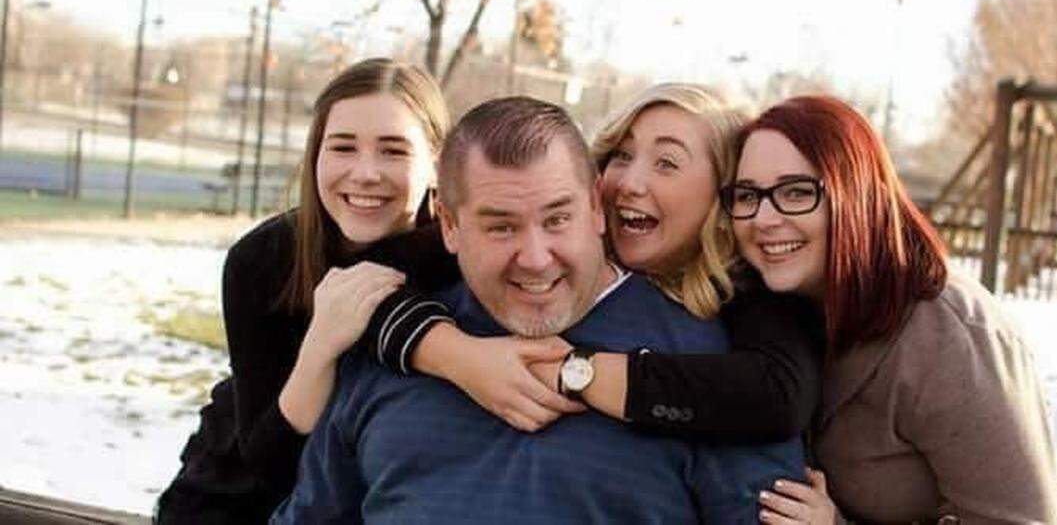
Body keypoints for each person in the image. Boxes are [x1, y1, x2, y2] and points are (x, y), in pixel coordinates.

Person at [271, 97, 807, 523]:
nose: (534, 258)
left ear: (597, 207)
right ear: (450, 228)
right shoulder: (393, 347)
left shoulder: (709, 365)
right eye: (501, 226)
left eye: (557, 220)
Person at [376, 84, 823, 442]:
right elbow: (367, 277)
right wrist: (456, 356)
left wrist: (571, 372)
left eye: (666, 163)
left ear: (723, 193)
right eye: (622, 156)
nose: (628, 182)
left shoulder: (750, 290)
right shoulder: (545, 240)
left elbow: (778, 396)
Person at [722, 96, 1057, 523]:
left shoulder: (949, 334)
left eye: (797, 191)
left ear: (854, 195)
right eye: (747, 195)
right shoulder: (772, 308)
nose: (763, 217)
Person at [155, 58, 453, 524]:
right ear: (317, 154)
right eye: (343, 147)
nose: (365, 172)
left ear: (438, 163)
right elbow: (269, 463)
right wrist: (320, 346)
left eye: (394, 151)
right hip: (240, 498)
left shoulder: (461, 256)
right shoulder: (262, 259)